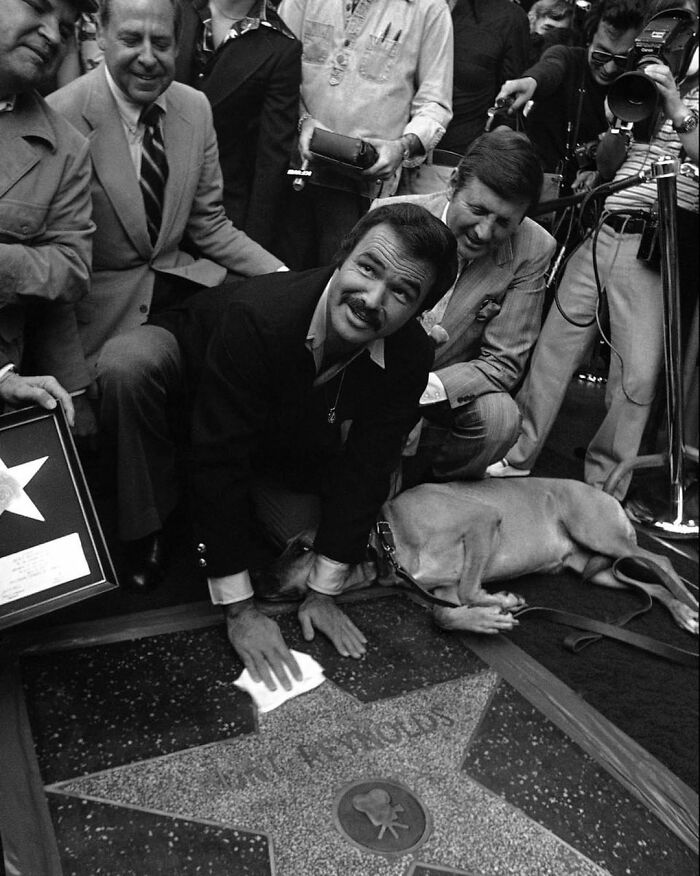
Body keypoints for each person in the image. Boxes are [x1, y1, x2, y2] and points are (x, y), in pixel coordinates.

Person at [107, 203, 457, 685]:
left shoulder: (411, 355)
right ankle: (150, 528)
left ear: (419, 310)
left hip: (277, 427)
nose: (372, 300)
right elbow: (218, 457)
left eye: (402, 292)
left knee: (299, 546)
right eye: (368, 268)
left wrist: (324, 592)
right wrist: (241, 611)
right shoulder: (258, 316)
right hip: (190, 377)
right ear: (342, 254)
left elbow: (368, 466)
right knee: (130, 367)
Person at [46, 0, 287, 584]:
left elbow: (209, 226)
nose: (149, 58)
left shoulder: (193, 108)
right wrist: (74, 384)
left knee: (255, 337)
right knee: (127, 374)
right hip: (94, 311)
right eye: (131, 40)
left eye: (163, 42)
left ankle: (240, 511)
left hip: (180, 290)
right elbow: (54, 279)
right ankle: (143, 531)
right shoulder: (61, 115)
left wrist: (291, 284)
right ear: (98, 35)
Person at [488, 8, 698, 501]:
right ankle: (517, 454)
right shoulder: (640, 80)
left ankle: (605, 485)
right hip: (604, 228)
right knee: (552, 351)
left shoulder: (680, 95)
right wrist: (623, 123)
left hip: (654, 240)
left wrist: (674, 106)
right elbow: (607, 169)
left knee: (637, 373)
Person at [377, 128, 555, 483]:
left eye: (504, 222)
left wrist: (418, 392)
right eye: (478, 210)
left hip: (448, 386)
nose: (485, 233)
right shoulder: (392, 219)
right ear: (453, 182)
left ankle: (436, 490)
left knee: (501, 418)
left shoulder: (535, 247)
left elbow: (503, 363)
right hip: (378, 377)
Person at [276, 0, 454, 269]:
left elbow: (435, 104)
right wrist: (304, 120)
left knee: (336, 285)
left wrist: (402, 147)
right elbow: (276, 71)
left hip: (365, 187)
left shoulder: (428, 8)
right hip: (292, 173)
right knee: (279, 282)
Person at [0, 0, 95, 397]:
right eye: (38, 6)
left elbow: (72, 267)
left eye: (68, 27)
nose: (54, 35)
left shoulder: (65, 148)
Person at [174, 0, 302, 257]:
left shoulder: (280, 46)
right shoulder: (173, 7)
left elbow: (271, 163)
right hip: (142, 193)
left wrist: (251, 252)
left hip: (215, 215)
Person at [496, 0, 647, 194]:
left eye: (621, 60)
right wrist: (532, 81)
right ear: (588, 39)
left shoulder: (635, 89)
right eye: (601, 54)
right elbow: (551, 68)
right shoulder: (567, 59)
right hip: (535, 192)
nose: (609, 68)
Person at [402, 0, 530, 196]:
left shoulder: (507, 18)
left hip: (445, 167)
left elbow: (509, 108)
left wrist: (479, 171)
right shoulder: (406, 5)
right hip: (380, 154)